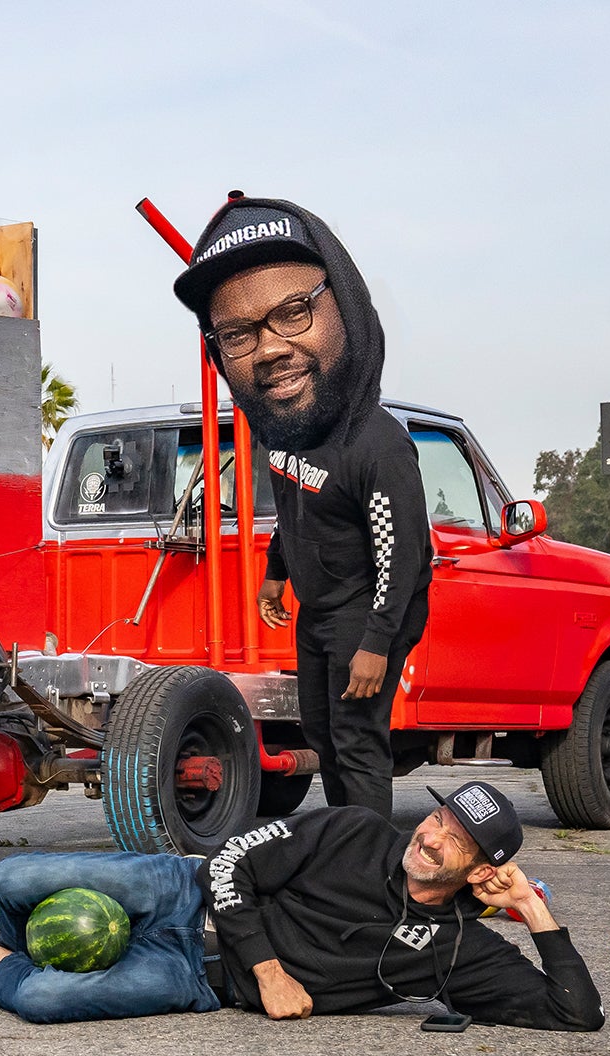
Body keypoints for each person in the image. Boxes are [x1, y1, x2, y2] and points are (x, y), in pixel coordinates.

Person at [0, 782, 603, 1032]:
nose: (433, 836)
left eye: (458, 840)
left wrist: (534, 913)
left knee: (46, 1000)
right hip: (182, 891)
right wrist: (269, 967)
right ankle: (33, 937)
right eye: (440, 819)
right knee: (17, 875)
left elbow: (578, 1014)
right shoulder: (355, 830)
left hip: (200, 979)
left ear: (482, 869)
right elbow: (234, 857)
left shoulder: (455, 949)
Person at [171, 198, 433, 820]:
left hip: (366, 611)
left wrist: (376, 644)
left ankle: (367, 864)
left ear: (342, 301)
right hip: (317, 611)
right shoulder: (290, 434)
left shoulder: (380, 444)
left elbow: (403, 557)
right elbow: (296, 511)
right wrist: (275, 572)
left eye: (292, 312)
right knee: (321, 733)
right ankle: (347, 840)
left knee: (357, 740)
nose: (267, 350)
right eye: (238, 334)